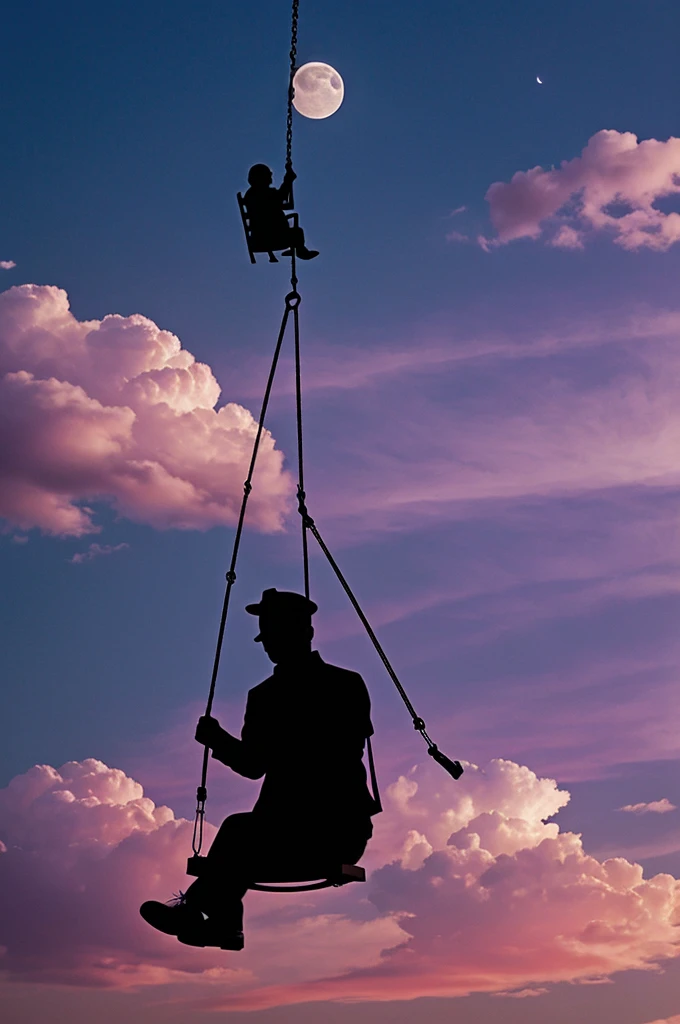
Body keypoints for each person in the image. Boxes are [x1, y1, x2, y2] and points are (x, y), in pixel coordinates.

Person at [140, 589, 378, 949]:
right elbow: (256, 765)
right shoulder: (336, 685)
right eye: (266, 636)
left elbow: (258, 763)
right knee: (241, 836)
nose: (269, 644)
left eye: (274, 634)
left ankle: (209, 916)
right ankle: (217, 921)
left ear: (305, 633)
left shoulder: (288, 693)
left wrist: (218, 739)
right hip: (304, 833)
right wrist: (219, 739)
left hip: (326, 834)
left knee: (239, 832)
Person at [243, 164, 319, 261]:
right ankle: (300, 251)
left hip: (261, 236)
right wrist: (288, 180)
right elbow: (282, 198)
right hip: (269, 237)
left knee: (296, 231)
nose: (270, 178)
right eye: (268, 175)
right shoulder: (262, 193)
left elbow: (283, 203)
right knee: (297, 232)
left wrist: (288, 181)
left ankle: (296, 249)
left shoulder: (251, 194)